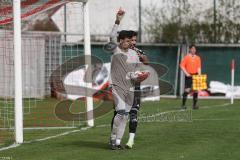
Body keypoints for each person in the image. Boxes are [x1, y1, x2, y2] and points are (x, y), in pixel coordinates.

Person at [110, 30, 146, 150]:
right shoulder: (116, 50)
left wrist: (140, 76)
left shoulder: (134, 54)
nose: (129, 43)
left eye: (130, 40)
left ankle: (118, 142)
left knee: (125, 115)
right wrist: (117, 21)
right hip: (117, 86)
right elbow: (111, 36)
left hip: (130, 88)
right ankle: (112, 139)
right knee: (120, 111)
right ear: (120, 41)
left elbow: (134, 73)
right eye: (127, 41)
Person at [180, 44, 201, 109]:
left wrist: (199, 75)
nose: (193, 50)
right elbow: (181, 65)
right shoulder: (187, 57)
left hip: (196, 75)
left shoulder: (198, 58)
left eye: (194, 49)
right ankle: (183, 105)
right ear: (190, 49)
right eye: (192, 49)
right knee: (187, 90)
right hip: (189, 75)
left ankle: (194, 105)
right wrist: (186, 73)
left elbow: (199, 67)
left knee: (196, 90)